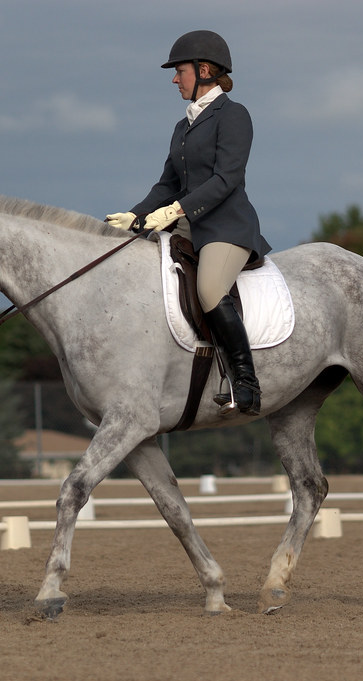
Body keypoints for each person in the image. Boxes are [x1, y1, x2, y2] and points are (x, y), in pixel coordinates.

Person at [106, 29, 270, 416]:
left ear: (205, 70)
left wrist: (175, 211)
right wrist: (136, 215)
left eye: (180, 71)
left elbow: (225, 179)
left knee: (211, 289)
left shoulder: (234, 115)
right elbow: (167, 184)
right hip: (184, 225)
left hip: (224, 227)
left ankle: (247, 383)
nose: (174, 79)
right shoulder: (183, 127)